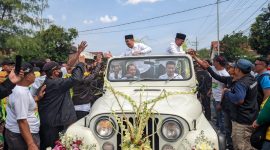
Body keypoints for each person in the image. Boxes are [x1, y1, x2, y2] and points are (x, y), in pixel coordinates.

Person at [38, 42, 87, 149]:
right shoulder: (56, 84)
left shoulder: (51, 80)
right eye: (59, 69)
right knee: (54, 146)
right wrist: (81, 64)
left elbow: (69, 65)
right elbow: (75, 78)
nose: (62, 70)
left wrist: (78, 52)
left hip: (52, 121)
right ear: (55, 72)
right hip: (54, 124)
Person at [5, 63, 45, 150]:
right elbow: (22, 120)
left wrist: (37, 97)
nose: (35, 75)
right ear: (26, 76)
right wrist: (31, 144)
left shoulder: (18, 88)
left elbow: (22, 105)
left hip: (19, 134)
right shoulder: (21, 93)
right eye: (32, 73)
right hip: (22, 136)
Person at [223, 59, 258, 150]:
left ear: (238, 70)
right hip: (251, 116)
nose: (233, 69)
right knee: (246, 143)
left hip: (241, 121)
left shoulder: (241, 83)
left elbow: (239, 100)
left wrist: (227, 92)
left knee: (240, 146)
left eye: (235, 67)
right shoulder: (252, 79)